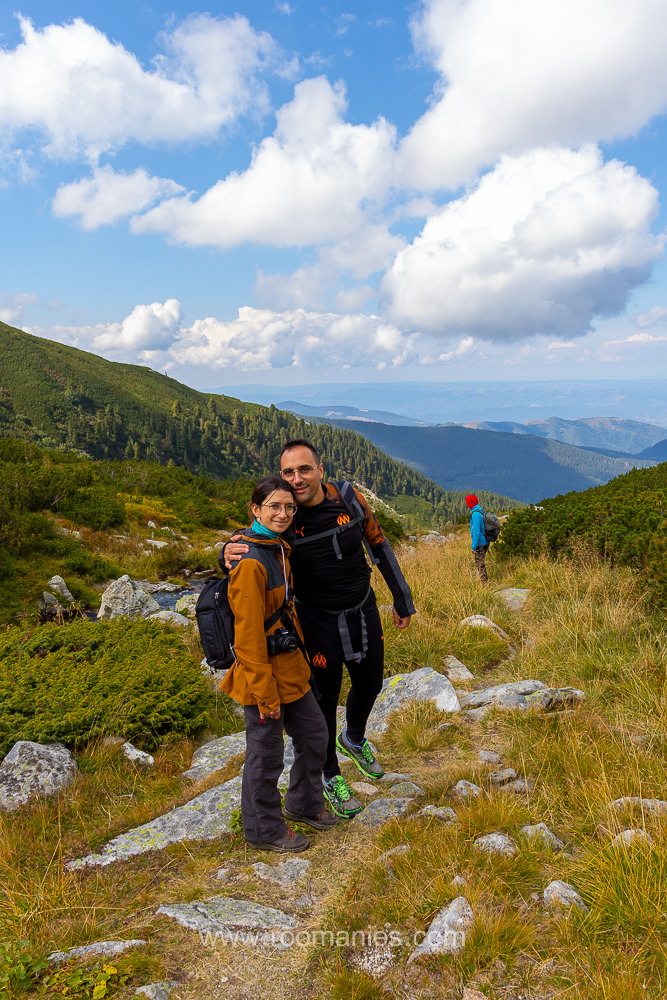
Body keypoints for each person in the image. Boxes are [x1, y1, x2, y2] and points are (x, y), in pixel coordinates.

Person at [223, 439, 416, 819]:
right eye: (288, 472)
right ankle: (330, 776)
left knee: (371, 682)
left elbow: (378, 544)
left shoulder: (347, 497)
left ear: (320, 470)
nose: (296, 478)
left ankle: (354, 739)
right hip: (316, 623)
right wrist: (223, 552)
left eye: (304, 469)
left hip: (363, 610)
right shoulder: (286, 516)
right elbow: (252, 542)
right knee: (325, 703)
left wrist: (401, 596)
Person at [219, 474, 338, 853]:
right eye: (274, 506)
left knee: (316, 736)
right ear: (256, 510)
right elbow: (248, 638)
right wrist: (265, 695)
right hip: (262, 677)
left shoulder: (276, 546)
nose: (283, 513)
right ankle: (263, 830)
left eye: (289, 507)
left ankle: (303, 805)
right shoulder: (251, 563)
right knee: (266, 756)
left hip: (290, 670)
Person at [466, 494, 489, 584]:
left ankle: (484, 583)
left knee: (479, 563)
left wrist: (474, 546)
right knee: (480, 562)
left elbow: (476, 531)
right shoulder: (481, 510)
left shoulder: (475, 514)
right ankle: (483, 581)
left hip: (480, 543)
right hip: (485, 541)